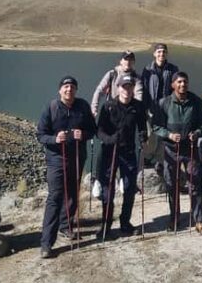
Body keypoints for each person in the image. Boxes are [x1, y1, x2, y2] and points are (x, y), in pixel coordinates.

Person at [36, 76, 96, 259]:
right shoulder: (51, 107)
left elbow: (93, 130)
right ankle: (46, 243)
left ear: (76, 90)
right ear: (60, 90)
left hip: (77, 157)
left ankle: (66, 225)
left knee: (72, 194)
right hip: (56, 159)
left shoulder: (83, 106)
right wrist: (55, 139)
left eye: (72, 87)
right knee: (55, 198)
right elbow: (40, 134)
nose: (69, 90)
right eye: (66, 87)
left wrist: (83, 134)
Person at [151, 71, 202, 236]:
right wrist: (169, 135)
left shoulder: (196, 102)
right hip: (171, 150)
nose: (182, 85)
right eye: (179, 82)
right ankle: (175, 217)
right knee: (172, 185)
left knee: (195, 185)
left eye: (185, 82)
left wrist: (197, 133)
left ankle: (199, 220)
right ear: (172, 85)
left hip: (191, 150)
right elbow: (156, 126)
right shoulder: (164, 103)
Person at [96, 74, 148, 238]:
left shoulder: (138, 107)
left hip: (128, 152)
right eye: (124, 87)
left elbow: (142, 127)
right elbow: (99, 131)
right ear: (118, 88)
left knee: (129, 188)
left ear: (133, 88)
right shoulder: (108, 106)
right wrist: (110, 139)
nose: (127, 90)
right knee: (108, 191)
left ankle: (125, 223)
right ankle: (106, 226)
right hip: (109, 152)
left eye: (130, 87)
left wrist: (143, 136)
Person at [90, 50, 144, 198]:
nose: (128, 62)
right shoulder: (111, 74)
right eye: (125, 59)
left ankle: (124, 178)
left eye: (131, 60)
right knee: (104, 149)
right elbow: (99, 90)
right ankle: (98, 180)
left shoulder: (136, 78)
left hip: (127, 113)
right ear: (120, 61)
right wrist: (94, 109)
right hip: (110, 114)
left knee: (129, 146)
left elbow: (139, 93)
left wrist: (136, 108)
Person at [142, 43, 180, 166]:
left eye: (163, 51)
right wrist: (145, 108)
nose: (161, 54)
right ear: (154, 54)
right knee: (151, 135)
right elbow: (144, 89)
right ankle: (147, 161)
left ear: (166, 54)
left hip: (167, 109)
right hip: (151, 109)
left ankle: (160, 162)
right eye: (159, 52)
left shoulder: (173, 69)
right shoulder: (147, 70)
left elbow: (176, 89)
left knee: (164, 136)